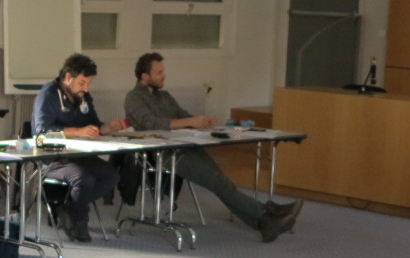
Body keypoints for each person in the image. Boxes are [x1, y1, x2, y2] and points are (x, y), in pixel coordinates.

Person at [125, 52, 302, 243]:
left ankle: (265, 221)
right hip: (164, 154)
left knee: (221, 181)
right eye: (159, 72)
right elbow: (151, 123)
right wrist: (190, 121)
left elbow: (183, 115)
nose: (164, 76)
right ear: (145, 76)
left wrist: (201, 121)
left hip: (188, 146)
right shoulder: (133, 98)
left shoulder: (165, 96)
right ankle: (267, 214)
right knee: (219, 183)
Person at [30, 53, 129, 244]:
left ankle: (69, 208)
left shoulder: (82, 97)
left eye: (88, 83)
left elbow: (92, 124)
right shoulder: (48, 95)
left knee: (112, 176)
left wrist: (106, 127)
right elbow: (41, 134)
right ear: (68, 77)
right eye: (82, 83)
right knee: (83, 179)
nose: (86, 88)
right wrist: (78, 131)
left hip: (79, 155)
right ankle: (80, 220)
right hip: (52, 157)